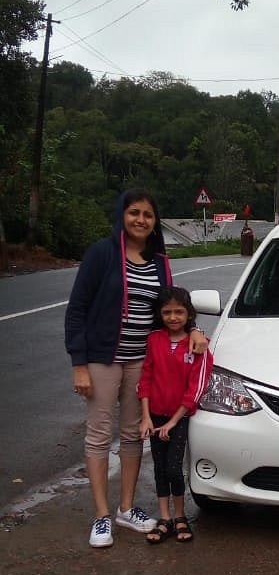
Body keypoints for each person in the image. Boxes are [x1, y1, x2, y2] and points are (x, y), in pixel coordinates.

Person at [65, 188, 207, 549]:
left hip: (142, 361)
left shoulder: (160, 261)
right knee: (99, 433)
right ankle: (101, 516)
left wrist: (193, 329)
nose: (140, 220)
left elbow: (172, 309)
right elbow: (77, 309)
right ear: (122, 216)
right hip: (102, 358)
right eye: (134, 213)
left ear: (155, 221)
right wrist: (79, 363)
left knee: (132, 433)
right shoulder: (101, 255)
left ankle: (126, 508)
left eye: (147, 214)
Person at [138, 287, 214, 545]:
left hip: (178, 419)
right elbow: (145, 379)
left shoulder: (198, 346)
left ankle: (180, 516)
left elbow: (196, 388)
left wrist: (173, 421)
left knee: (173, 467)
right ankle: (164, 518)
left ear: (189, 314)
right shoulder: (154, 340)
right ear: (160, 314)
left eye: (179, 312)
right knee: (160, 468)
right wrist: (146, 417)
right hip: (155, 417)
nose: (173, 317)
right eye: (167, 312)